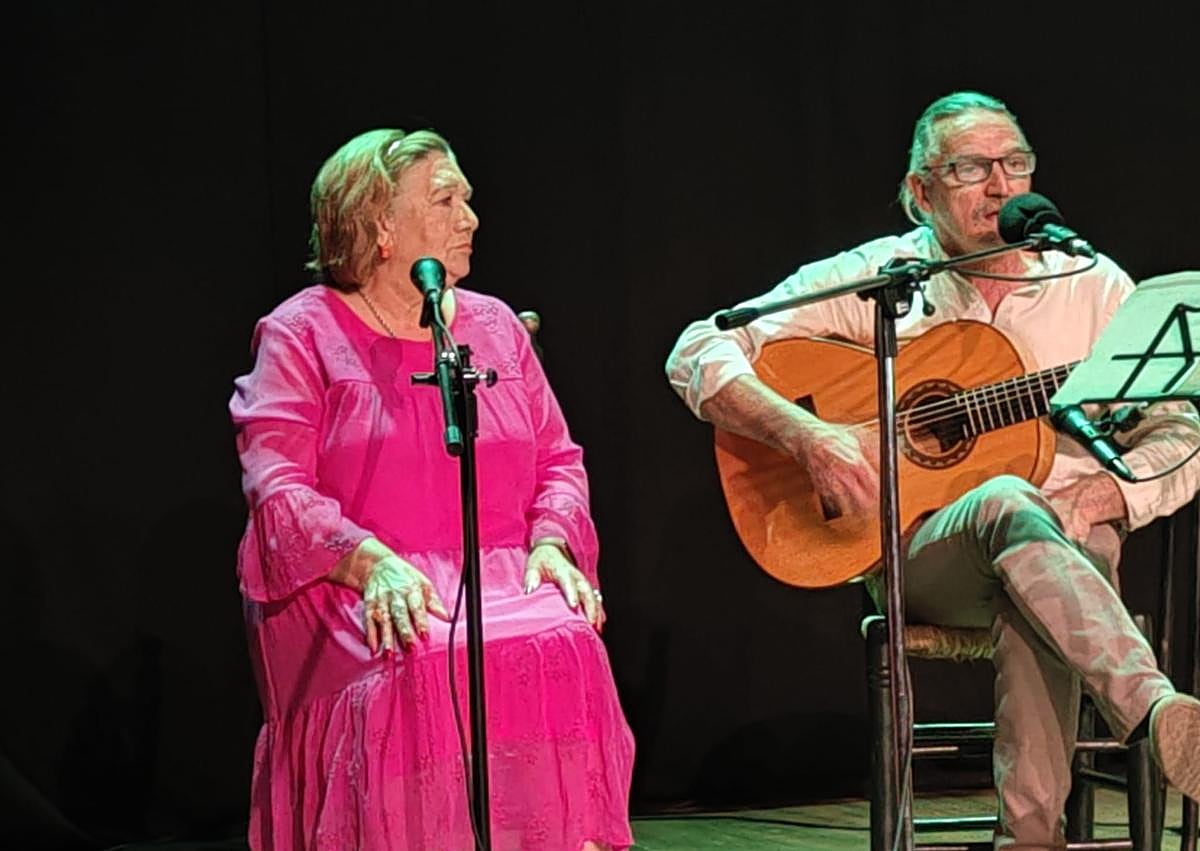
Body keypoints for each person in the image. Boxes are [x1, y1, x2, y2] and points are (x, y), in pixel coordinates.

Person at [665, 91, 1200, 848]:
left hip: (1065, 553)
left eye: (1015, 163)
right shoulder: (882, 277)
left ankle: (1030, 838)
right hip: (923, 550)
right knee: (1013, 499)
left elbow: (1182, 425)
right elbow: (697, 347)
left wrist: (1112, 488)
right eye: (972, 168)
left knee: (1043, 553)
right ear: (921, 192)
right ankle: (1154, 709)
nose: (1000, 185)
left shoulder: (1091, 285)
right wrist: (808, 435)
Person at [230, 128, 635, 851]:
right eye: (446, 199)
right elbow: (278, 485)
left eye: (468, 199)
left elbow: (559, 458)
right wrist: (374, 562)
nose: (470, 217)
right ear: (381, 225)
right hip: (353, 578)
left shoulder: (496, 327)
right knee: (422, 653)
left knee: (567, 636)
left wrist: (552, 543)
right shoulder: (300, 332)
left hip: (500, 569)